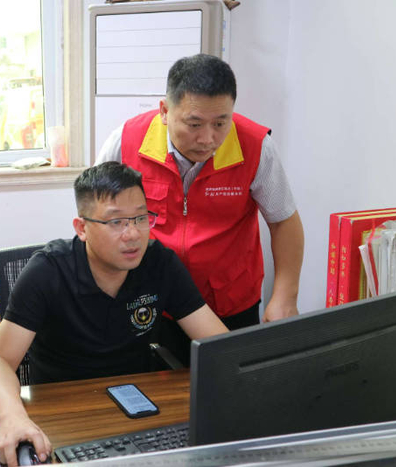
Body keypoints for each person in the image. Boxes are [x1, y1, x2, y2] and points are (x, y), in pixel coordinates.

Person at [0, 162, 228, 466]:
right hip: (59, 418)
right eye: (116, 222)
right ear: (82, 228)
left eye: (140, 218)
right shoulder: (47, 271)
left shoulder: (160, 264)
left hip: (138, 416)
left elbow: (222, 346)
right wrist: (12, 418)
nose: (132, 234)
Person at [96, 53, 304, 330]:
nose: (207, 139)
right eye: (194, 124)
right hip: (151, 300)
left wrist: (285, 296)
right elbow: (96, 217)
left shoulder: (255, 147)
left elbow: (283, 221)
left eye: (220, 123)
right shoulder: (126, 141)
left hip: (229, 301)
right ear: (164, 111)